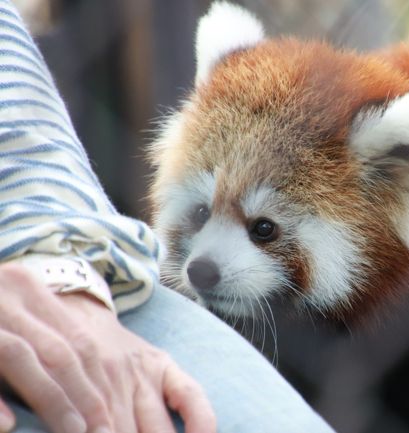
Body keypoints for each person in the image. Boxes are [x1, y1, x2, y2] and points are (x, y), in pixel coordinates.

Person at [0, 1, 336, 432]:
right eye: (200, 213)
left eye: (263, 229)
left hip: (61, 259)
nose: (204, 259)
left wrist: (57, 259)